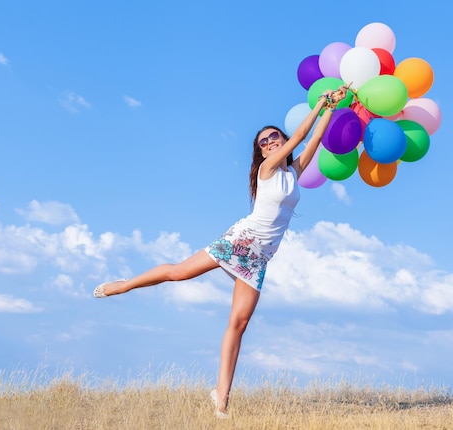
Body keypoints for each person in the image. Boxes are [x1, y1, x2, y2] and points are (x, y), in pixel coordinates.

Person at [93, 85, 349, 418]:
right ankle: (124, 284)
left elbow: (312, 140)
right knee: (179, 273)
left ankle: (221, 398)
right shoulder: (267, 169)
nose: (272, 142)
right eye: (265, 142)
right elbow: (301, 134)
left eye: (275, 137)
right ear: (261, 152)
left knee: (239, 324)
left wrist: (332, 106)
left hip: (259, 259)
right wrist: (320, 104)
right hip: (240, 242)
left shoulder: (293, 173)